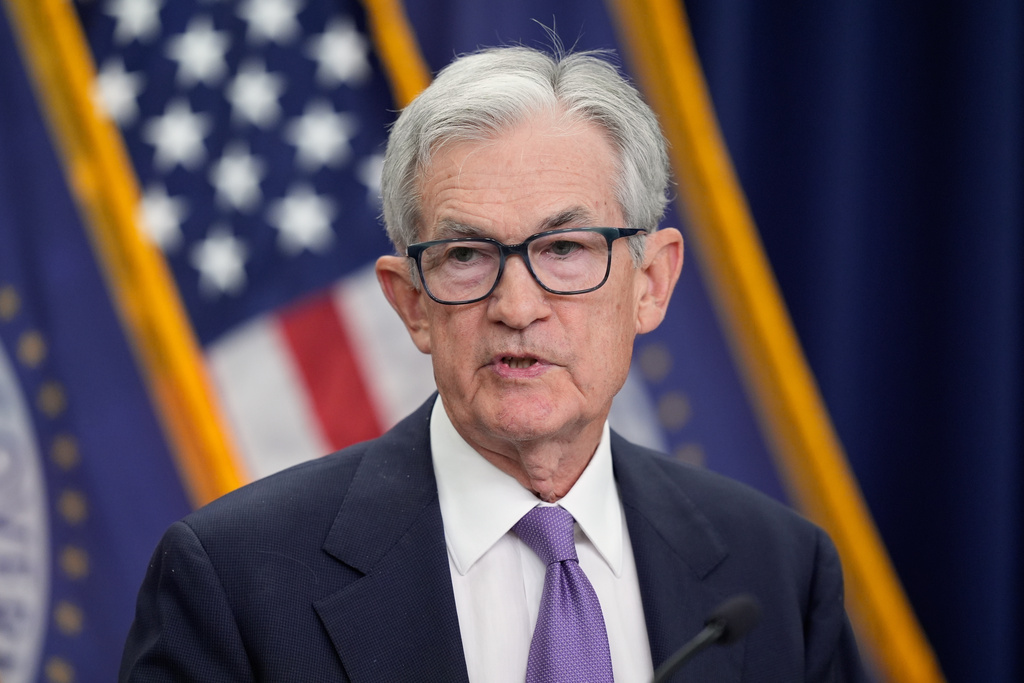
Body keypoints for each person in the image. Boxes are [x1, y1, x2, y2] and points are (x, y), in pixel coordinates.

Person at [120, 45, 866, 682]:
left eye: (565, 249)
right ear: (411, 302)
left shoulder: (777, 572)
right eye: (467, 256)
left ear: (652, 283)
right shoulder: (235, 580)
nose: (517, 305)